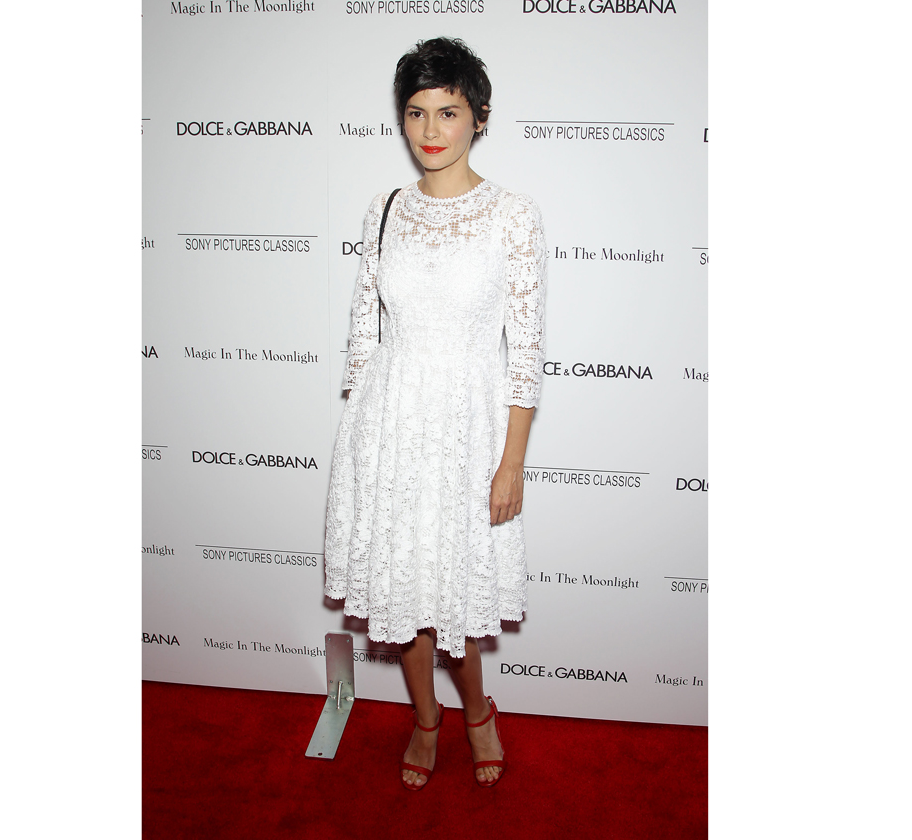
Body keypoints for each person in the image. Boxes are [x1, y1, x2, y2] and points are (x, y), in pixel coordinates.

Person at [323, 37, 547, 791]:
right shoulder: (383, 209)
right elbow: (363, 333)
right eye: (416, 112)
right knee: (404, 590)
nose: (430, 129)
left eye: (448, 111)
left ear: (479, 117)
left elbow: (526, 352)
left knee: (449, 590)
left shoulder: (513, 216)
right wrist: (360, 438)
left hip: (468, 430)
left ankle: (476, 710)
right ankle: (426, 721)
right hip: (389, 428)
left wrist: (510, 460)